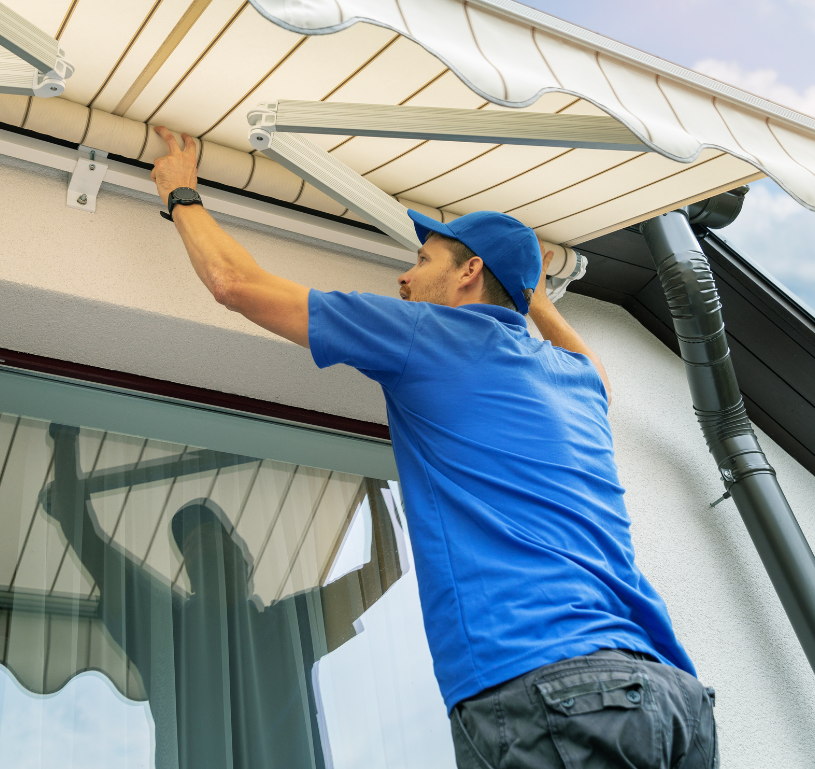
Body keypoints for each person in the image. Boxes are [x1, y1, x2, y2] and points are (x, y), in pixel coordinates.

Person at [147, 126, 719, 769]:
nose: (404, 276)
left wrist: (181, 193)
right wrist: (532, 299)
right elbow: (596, 371)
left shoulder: (430, 335)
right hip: (673, 699)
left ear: (469, 272)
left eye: (422, 260)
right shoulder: (575, 383)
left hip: (549, 686)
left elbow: (234, 283)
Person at [39, 424, 402, 769]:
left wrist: (373, 465)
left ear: (244, 562)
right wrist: (65, 433)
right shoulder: (168, 632)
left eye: (210, 537)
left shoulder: (287, 626)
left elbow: (386, 570)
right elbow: (80, 530)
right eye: (191, 546)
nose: (197, 544)